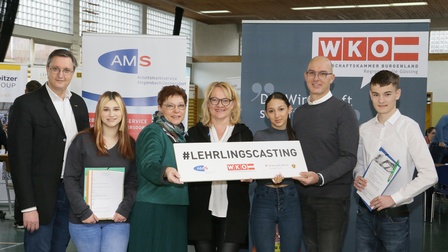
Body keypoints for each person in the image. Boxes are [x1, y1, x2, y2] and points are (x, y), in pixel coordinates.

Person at [8, 49, 89, 251]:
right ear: (47, 70)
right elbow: (19, 161)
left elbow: (85, 151)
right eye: (55, 69)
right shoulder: (26, 104)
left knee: (59, 247)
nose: (61, 75)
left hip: (71, 193)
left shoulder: (78, 104)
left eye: (66, 70)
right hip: (39, 198)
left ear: (72, 73)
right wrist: (27, 207)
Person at [353, 70, 438, 251]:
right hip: (365, 214)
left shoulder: (410, 128)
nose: (381, 100)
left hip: (395, 218)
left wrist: (394, 198)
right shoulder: (364, 129)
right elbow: (359, 163)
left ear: (397, 94)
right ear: (370, 95)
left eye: (387, 94)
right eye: (376, 94)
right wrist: (358, 175)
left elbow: (430, 175)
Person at [292, 56, 359, 252]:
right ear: (305, 76)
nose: (316, 78)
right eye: (312, 73)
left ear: (332, 78)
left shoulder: (344, 111)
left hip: (333, 199)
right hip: (303, 197)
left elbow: (349, 157)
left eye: (323, 73)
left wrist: (319, 178)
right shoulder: (300, 113)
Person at [64, 91, 137, 252]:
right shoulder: (82, 140)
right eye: (106, 109)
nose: (111, 114)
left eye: (116, 109)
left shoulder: (129, 144)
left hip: (117, 220)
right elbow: (70, 179)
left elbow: (133, 182)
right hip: (84, 220)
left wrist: (124, 209)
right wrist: (83, 212)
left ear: (123, 112)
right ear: (99, 112)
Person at [187, 81, 253, 252]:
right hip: (201, 210)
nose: (219, 105)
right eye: (214, 100)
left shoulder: (244, 134)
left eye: (225, 100)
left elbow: (250, 167)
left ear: (233, 104)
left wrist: (250, 174)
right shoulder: (194, 133)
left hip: (234, 211)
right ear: (207, 103)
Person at [128, 85, 188, 252]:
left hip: (174, 205)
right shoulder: (154, 132)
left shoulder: (180, 135)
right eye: (170, 105)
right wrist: (166, 171)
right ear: (160, 107)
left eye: (181, 105)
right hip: (154, 206)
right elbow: (148, 164)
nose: (176, 110)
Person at [250, 92, 302, 252]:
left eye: (281, 109)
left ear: (289, 109)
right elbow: (255, 168)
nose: (277, 115)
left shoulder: (298, 136)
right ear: (266, 114)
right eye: (271, 111)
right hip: (264, 198)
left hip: (291, 198)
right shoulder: (260, 136)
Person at [9, 79, 42, 229]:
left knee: (22, 187)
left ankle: (19, 219)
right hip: (28, 159)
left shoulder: (19, 106)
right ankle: (20, 218)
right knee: (23, 184)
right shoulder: (20, 106)